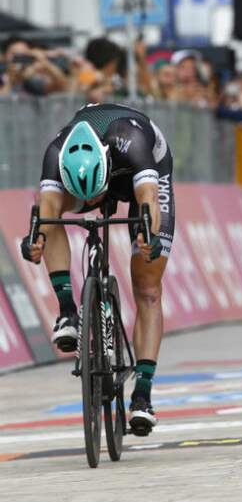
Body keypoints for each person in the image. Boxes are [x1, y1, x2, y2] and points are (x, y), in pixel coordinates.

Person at [21, 103, 175, 435]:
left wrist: (147, 235)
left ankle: (143, 395)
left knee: (148, 287)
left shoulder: (131, 141)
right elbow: (46, 208)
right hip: (87, 177)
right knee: (50, 216)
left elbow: (148, 196)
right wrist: (35, 240)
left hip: (143, 173)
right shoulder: (55, 152)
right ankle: (67, 312)